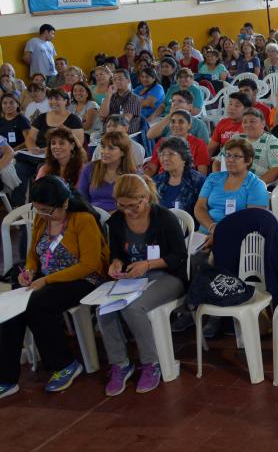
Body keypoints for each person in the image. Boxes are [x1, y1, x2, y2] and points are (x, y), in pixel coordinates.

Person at [0, 176, 109, 399]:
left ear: (65, 204)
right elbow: (33, 253)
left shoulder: (83, 220)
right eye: (39, 210)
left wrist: (46, 280)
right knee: (12, 309)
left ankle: (64, 364)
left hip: (84, 279)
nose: (43, 215)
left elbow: (90, 264)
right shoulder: (42, 219)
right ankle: (7, 377)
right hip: (48, 275)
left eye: (48, 211)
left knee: (38, 305)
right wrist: (29, 272)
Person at [100, 175, 187, 395]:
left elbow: (179, 256)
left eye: (133, 205)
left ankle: (151, 362)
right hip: (134, 278)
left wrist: (148, 265)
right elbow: (117, 253)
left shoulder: (164, 219)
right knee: (105, 308)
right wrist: (116, 263)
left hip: (168, 276)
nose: (128, 211)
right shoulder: (117, 221)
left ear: (146, 198)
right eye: (121, 205)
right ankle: (120, 363)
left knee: (133, 308)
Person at [194, 137, 269, 234]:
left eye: (236, 156)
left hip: (237, 236)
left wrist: (221, 234)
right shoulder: (213, 178)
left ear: (248, 160)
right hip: (206, 231)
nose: (230, 160)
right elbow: (200, 207)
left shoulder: (256, 185)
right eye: (228, 155)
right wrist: (212, 227)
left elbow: (252, 220)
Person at [211, 109, 278, 184]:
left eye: (252, 121)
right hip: (231, 183)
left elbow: (277, 169)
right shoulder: (236, 138)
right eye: (245, 122)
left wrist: (253, 185)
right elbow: (218, 161)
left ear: (263, 123)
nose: (248, 125)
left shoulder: (272, 142)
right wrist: (218, 180)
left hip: (260, 187)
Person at [78, 131, 137, 211]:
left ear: (123, 152)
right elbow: (81, 199)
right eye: (103, 147)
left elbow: (134, 205)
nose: (104, 152)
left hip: (121, 216)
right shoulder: (89, 168)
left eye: (111, 148)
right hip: (93, 215)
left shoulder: (133, 175)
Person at [144, 110, 210, 176]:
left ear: (189, 125)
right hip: (163, 181)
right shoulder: (162, 142)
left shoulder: (199, 144)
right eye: (173, 122)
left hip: (189, 181)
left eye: (181, 122)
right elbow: (152, 168)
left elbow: (202, 173)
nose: (176, 125)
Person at [152, 136, 206, 215]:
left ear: (184, 157)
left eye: (171, 154)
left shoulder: (198, 181)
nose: (165, 158)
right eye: (162, 154)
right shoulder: (156, 181)